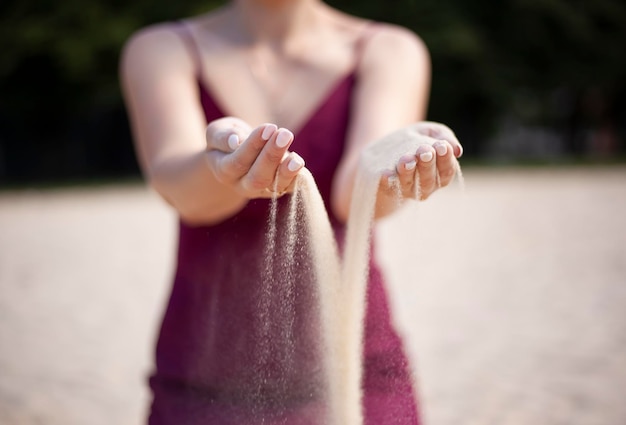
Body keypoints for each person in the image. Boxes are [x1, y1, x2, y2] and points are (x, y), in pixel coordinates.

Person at [120, 0, 463, 424]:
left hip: (354, 371)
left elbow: (352, 197)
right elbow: (182, 190)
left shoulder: (389, 49)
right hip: (204, 375)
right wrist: (223, 170)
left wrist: (396, 164)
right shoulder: (162, 49)